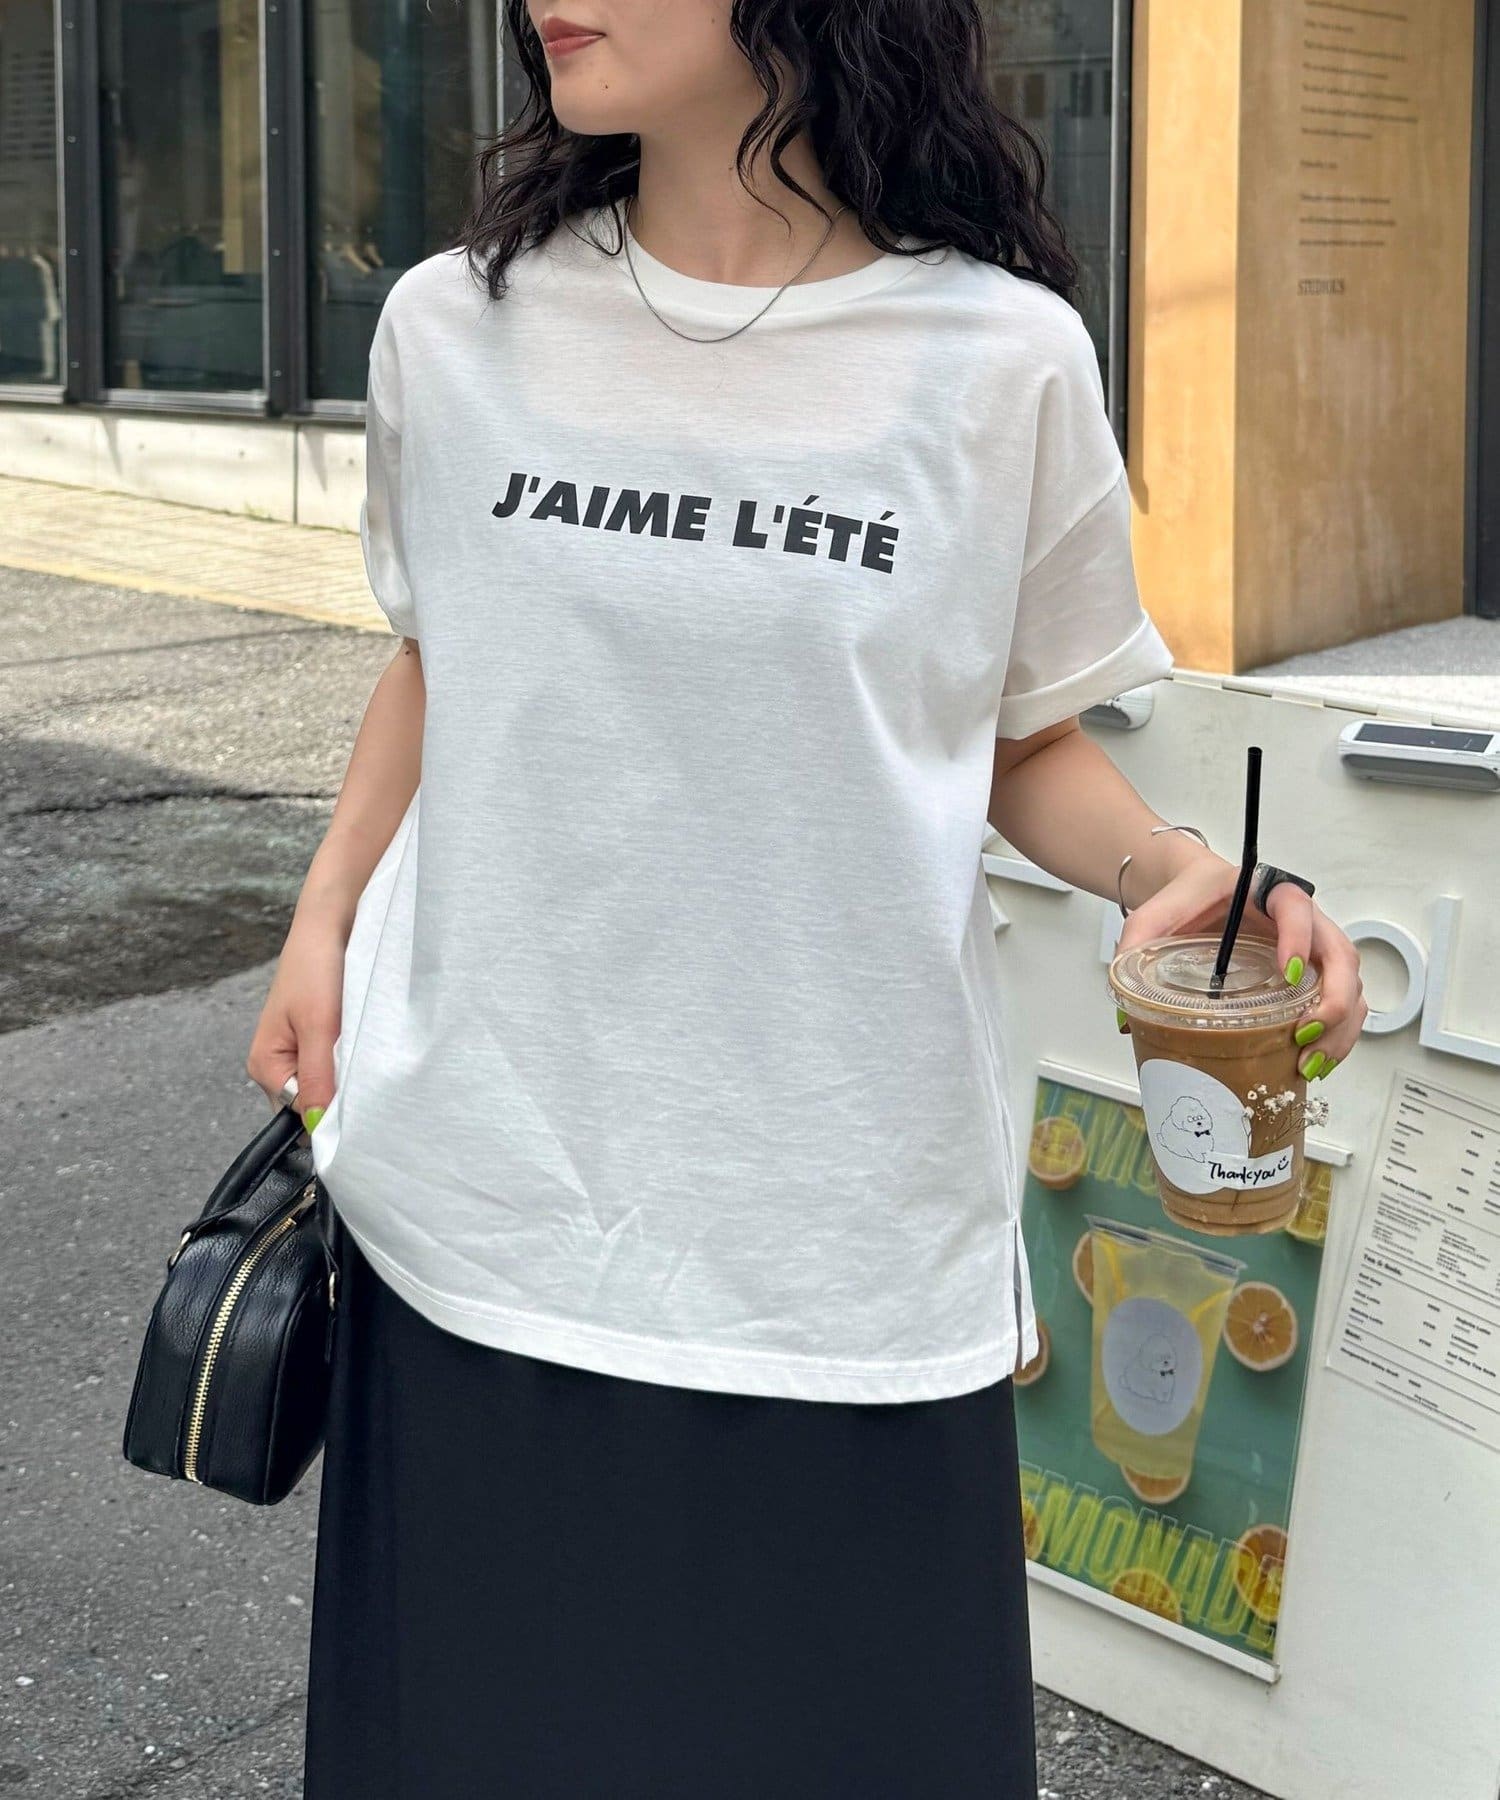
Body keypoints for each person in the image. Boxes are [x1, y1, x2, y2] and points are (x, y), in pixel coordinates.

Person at [248, 3, 1369, 1794]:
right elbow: (439, 652)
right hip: (489, 1217)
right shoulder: (455, 326)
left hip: (839, 1253)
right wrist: (323, 920)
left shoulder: (998, 358)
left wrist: (1168, 869)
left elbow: (1015, 736)